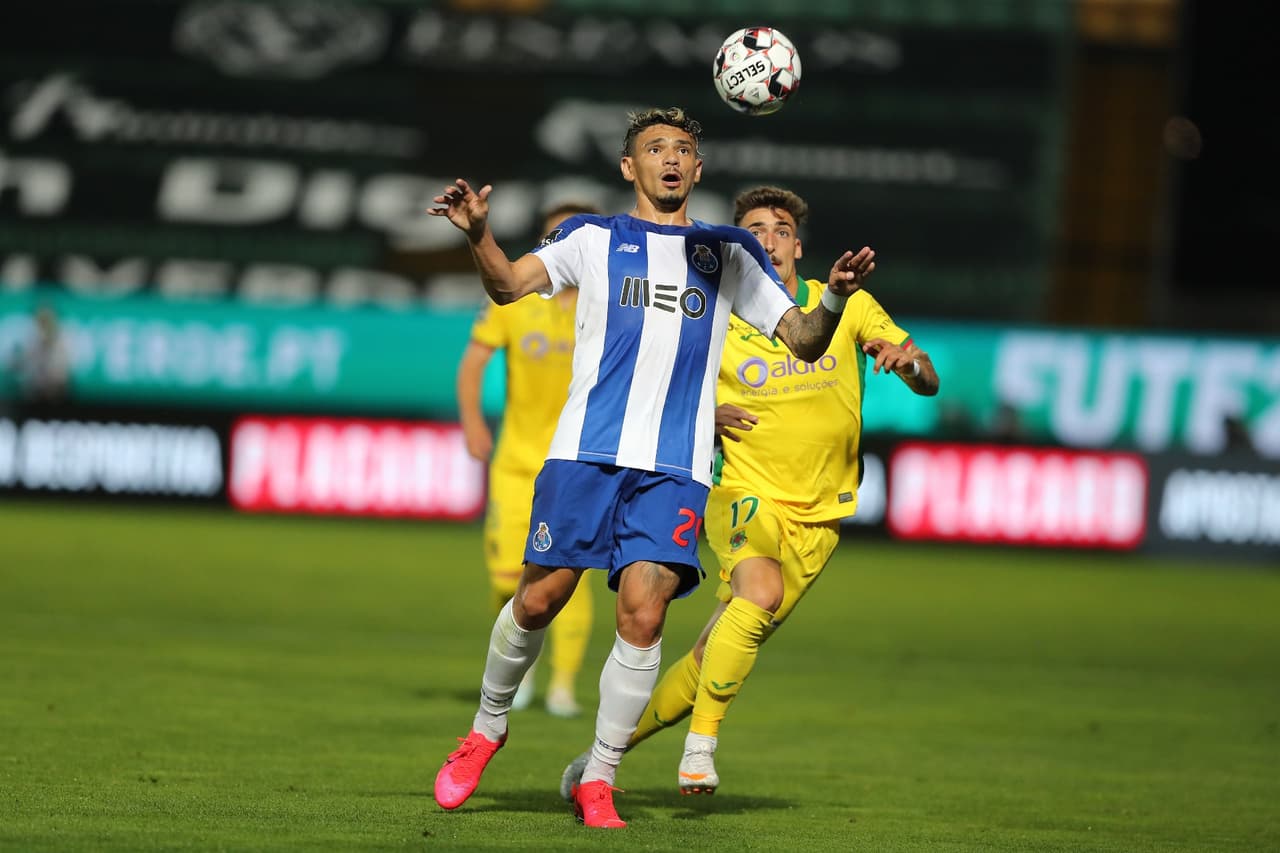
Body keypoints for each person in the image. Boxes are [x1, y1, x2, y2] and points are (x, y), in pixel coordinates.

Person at [428, 108, 877, 829]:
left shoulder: (727, 252)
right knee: (539, 598)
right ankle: (486, 727)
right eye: (655, 148)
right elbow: (510, 286)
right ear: (628, 168)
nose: (671, 158)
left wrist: (834, 295)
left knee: (642, 613)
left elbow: (801, 339)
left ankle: (600, 776)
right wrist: (480, 231)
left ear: (697, 171)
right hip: (586, 450)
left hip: (675, 466)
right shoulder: (592, 238)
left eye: (685, 150)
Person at [559, 185, 940, 798]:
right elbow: (656, 388)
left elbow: (927, 380)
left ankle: (600, 760)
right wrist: (706, 414)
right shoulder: (713, 311)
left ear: (798, 244)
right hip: (741, 491)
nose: (769, 238)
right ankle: (700, 751)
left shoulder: (847, 306)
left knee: (714, 654)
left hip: (820, 514)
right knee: (758, 591)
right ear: (741, 244)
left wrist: (910, 361)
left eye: (781, 229)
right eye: (755, 229)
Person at [455, 201, 603, 719]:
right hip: (518, 462)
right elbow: (473, 362)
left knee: (569, 576)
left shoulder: (611, 303)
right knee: (506, 578)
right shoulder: (514, 298)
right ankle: (520, 672)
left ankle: (562, 686)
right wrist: (474, 422)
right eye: (552, 236)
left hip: (579, 463)